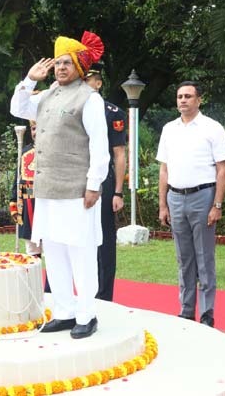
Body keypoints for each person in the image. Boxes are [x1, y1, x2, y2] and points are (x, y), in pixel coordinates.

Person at [10, 31, 110, 339]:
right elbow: (17, 107)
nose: (61, 68)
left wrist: (94, 184)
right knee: (53, 251)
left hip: (77, 191)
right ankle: (65, 312)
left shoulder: (89, 99)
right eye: (58, 63)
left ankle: (86, 314)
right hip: (47, 191)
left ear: (80, 68)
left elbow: (100, 145)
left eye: (67, 63)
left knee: (80, 252)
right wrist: (29, 80)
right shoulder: (47, 95)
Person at [156, 81, 225, 327]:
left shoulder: (212, 128)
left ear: (199, 100)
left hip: (203, 196)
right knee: (183, 257)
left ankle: (207, 313)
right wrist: (162, 205)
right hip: (175, 197)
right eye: (179, 96)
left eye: (188, 96)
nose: (183, 100)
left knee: (204, 257)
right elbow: (163, 170)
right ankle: (186, 310)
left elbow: (222, 169)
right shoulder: (169, 129)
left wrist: (217, 205)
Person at [84, 63, 127, 301]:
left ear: (98, 83)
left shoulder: (112, 112)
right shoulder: (75, 108)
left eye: (88, 80)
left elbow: (119, 153)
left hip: (103, 179)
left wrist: (118, 192)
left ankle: (103, 294)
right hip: (77, 177)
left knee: (104, 238)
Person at [10, 120, 41, 258]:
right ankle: (33, 279)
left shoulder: (56, 152)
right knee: (32, 250)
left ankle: (50, 280)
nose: (36, 132)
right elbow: (17, 180)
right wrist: (14, 202)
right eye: (34, 129)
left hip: (48, 203)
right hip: (28, 204)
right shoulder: (25, 152)